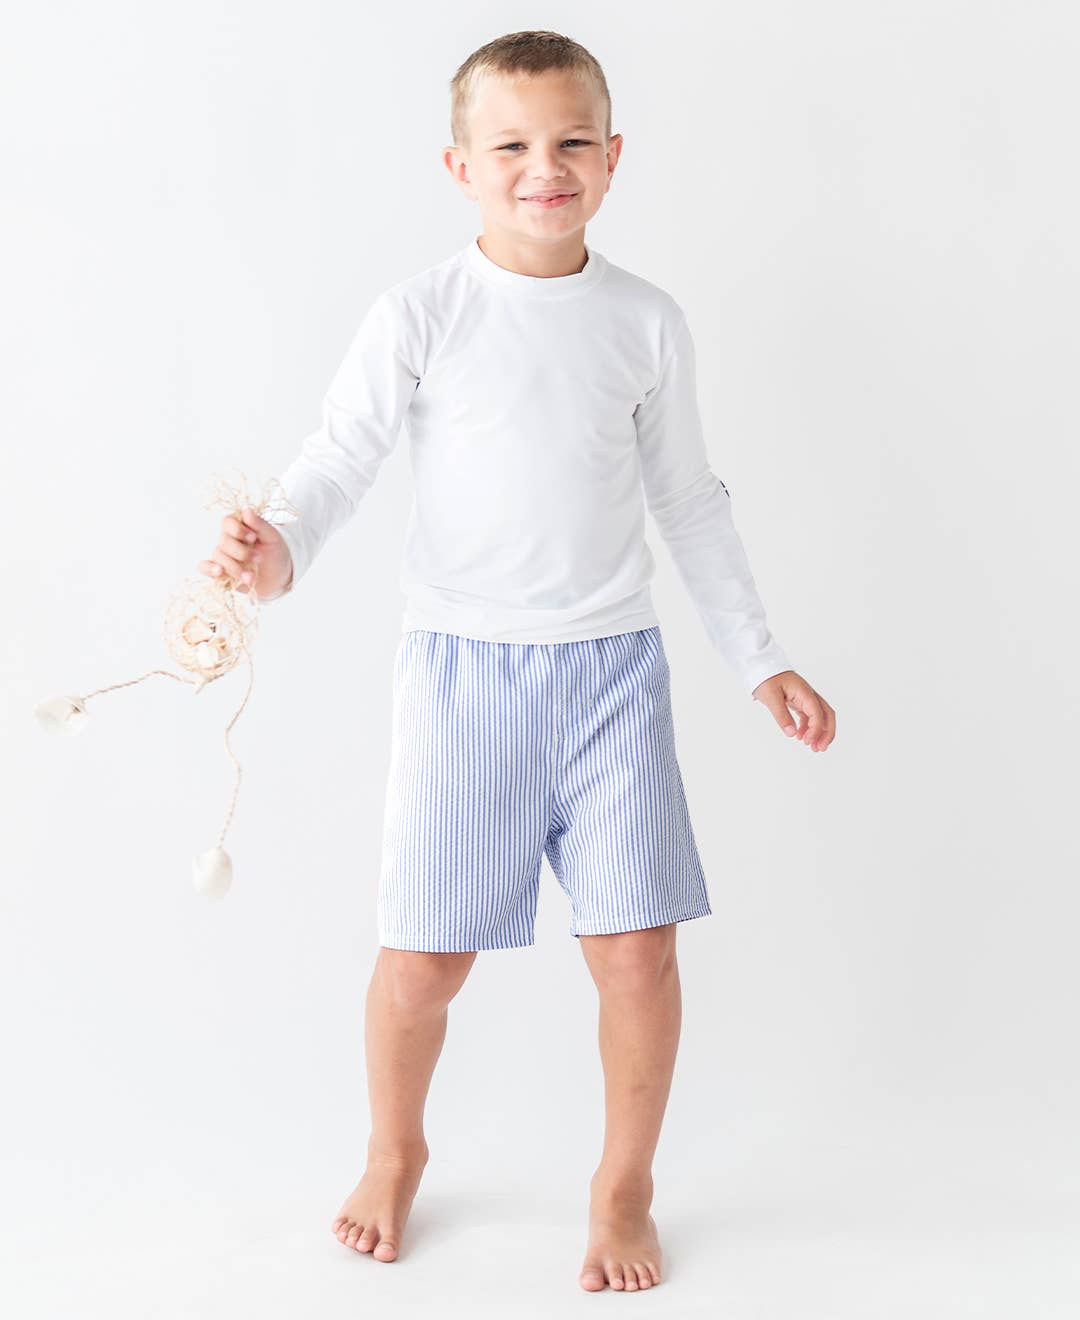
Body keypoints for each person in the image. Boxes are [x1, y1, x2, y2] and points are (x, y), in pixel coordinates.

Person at [198, 29, 836, 1293]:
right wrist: (275, 552)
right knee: (423, 962)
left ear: (612, 157)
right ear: (460, 167)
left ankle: (624, 1186)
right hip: (465, 681)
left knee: (637, 953)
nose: (545, 166)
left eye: (571, 141)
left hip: (612, 678)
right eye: (512, 146)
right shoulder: (421, 315)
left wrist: (758, 656)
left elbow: (689, 500)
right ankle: (395, 1150)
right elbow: (337, 461)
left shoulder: (645, 322)